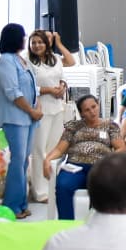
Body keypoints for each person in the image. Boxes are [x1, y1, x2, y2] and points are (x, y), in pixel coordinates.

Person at [42, 94, 124, 219]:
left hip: (100, 167)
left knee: (103, 185)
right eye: (87, 110)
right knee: (63, 185)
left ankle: (97, 223)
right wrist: (47, 159)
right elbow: (59, 149)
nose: (92, 112)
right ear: (81, 113)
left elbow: (121, 148)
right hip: (75, 166)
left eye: (94, 107)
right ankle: (67, 224)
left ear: (98, 105)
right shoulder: (73, 127)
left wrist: (108, 160)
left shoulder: (110, 126)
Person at [0, 23, 39, 219]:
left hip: (28, 117)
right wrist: (31, 110)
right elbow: (12, 91)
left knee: (24, 161)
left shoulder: (22, 60)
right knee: (18, 161)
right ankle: (12, 205)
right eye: (22, 36)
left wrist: (37, 109)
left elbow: (34, 87)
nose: (24, 39)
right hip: (15, 118)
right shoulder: (5, 61)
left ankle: (21, 203)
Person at [27, 30, 75, 204]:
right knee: (39, 150)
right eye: (34, 43)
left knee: (54, 150)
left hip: (57, 108)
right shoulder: (27, 62)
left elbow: (63, 75)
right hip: (40, 110)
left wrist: (62, 86)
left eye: (40, 42)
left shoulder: (54, 59)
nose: (37, 45)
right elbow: (28, 86)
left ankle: (51, 186)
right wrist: (48, 90)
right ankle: (40, 192)